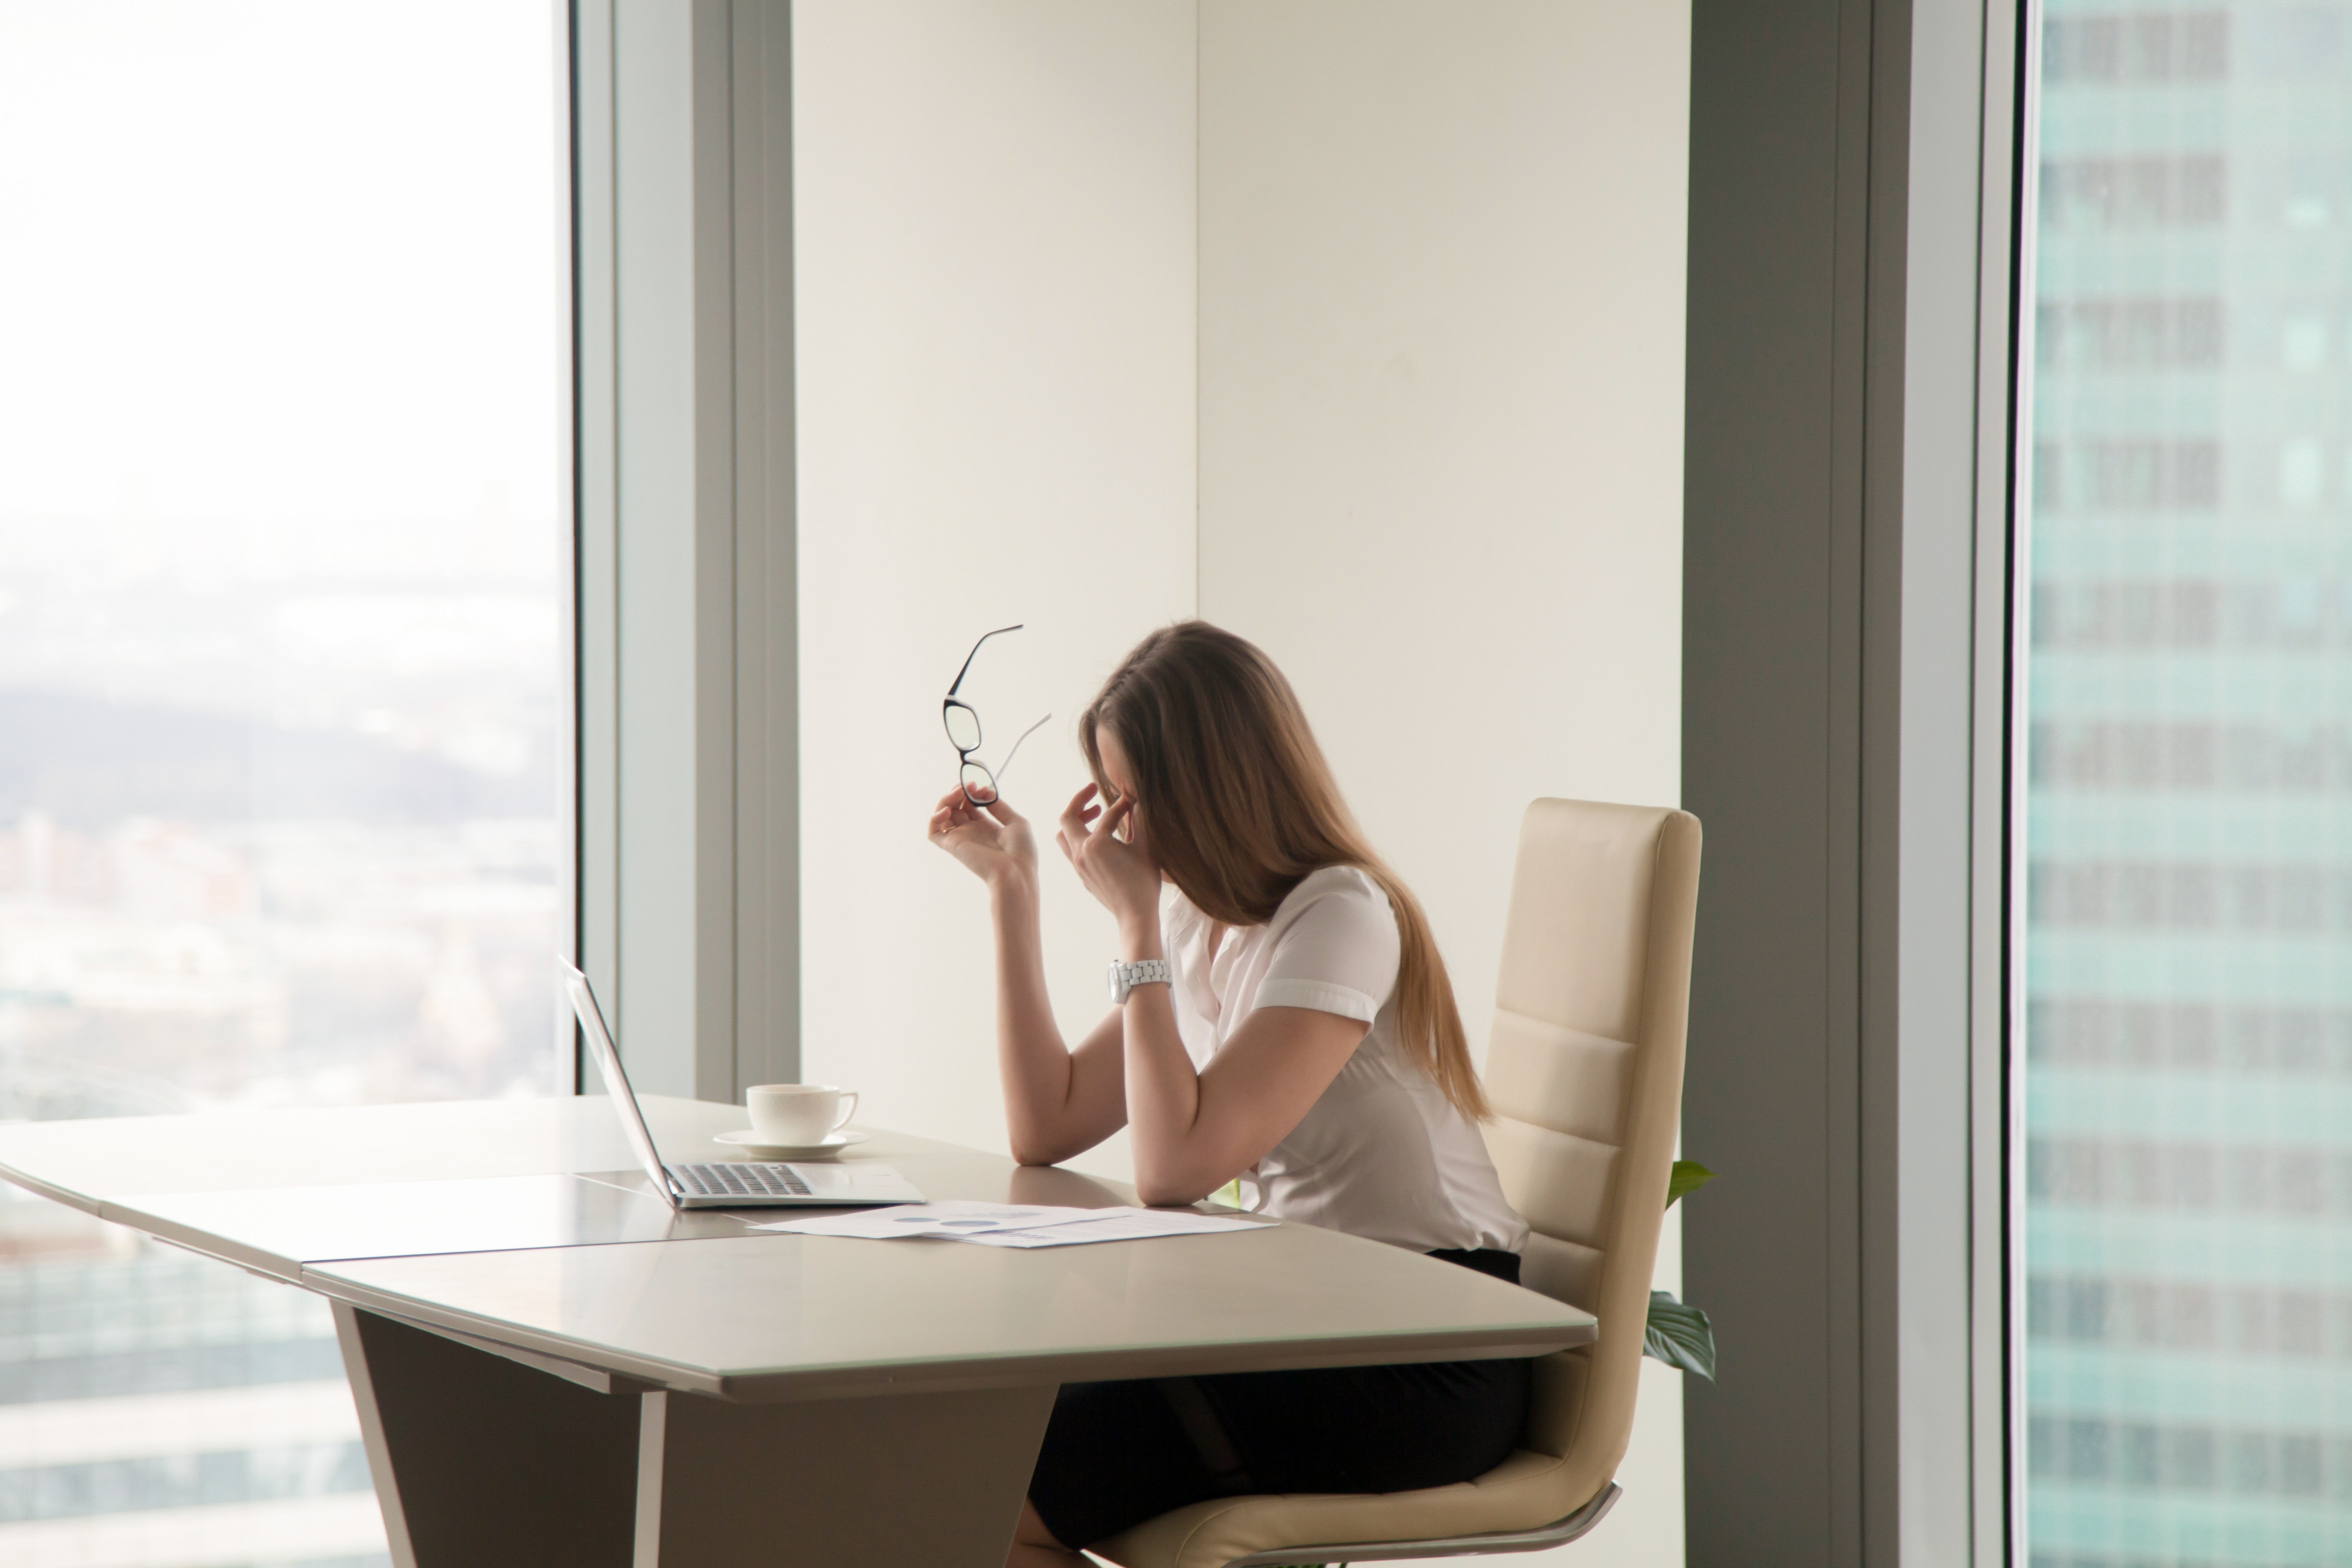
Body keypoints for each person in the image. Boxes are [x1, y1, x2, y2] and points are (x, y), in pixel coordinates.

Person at [927, 621, 1533, 1568]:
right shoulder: (1206, 924)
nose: (1119, 825)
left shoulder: (1339, 914)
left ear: (1207, 787)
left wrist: (1135, 923)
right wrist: (1015, 889)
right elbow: (1045, 1126)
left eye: (1131, 794)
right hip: (1313, 1330)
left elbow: (1172, 1170)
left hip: (1428, 1348)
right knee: (972, 1480)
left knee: (985, 1497)